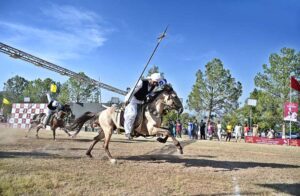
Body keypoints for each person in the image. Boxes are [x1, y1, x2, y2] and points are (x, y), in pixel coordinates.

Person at [124, 73, 163, 140]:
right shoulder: (142, 82)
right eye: (155, 82)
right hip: (133, 100)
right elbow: (133, 91)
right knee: (132, 115)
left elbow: (149, 93)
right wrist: (127, 99)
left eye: (157, 83)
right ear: (151, 79)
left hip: (142, 101)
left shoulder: (154, 86)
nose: (155, 84)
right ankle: (127, 132)